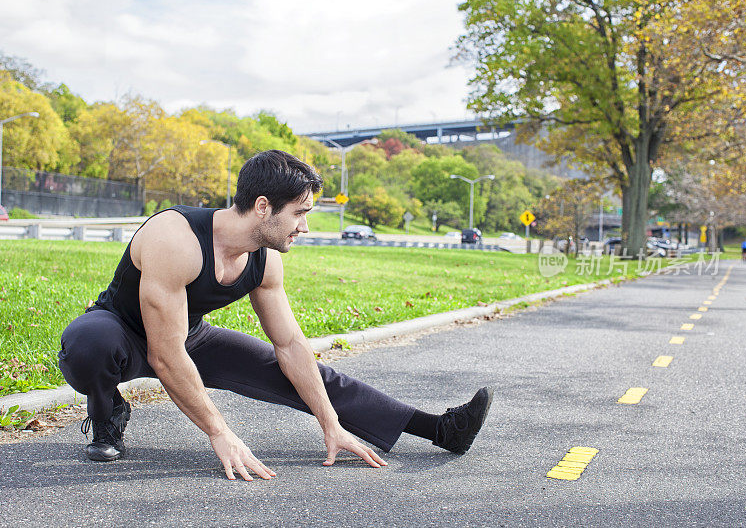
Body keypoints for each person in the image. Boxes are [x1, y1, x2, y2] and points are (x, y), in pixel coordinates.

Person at [58, 150, 491, 481]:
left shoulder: (265, 259)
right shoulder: (177, 239)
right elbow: (164, 355)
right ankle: (107, 412)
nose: (305, 227)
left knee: (304, 373)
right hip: (120, 328)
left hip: (187, 334)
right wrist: (219, 433)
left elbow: (290, 346)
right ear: (263, 207)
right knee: (90, 345)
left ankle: (440, 430)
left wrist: (330, 421)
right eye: (300, 213)